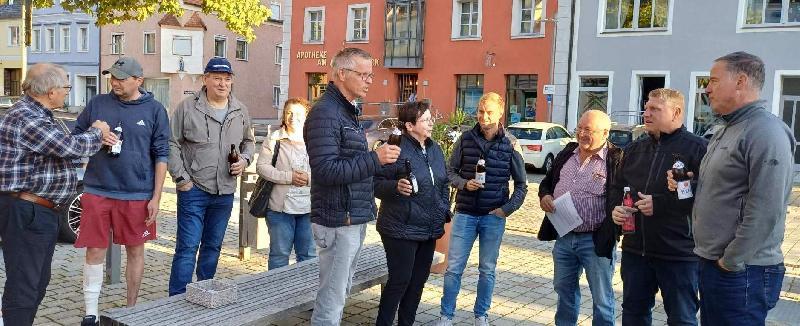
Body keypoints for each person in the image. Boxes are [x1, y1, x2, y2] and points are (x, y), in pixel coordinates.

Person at [671, 51, 795, 325]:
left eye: (714, 80)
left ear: (740, 81)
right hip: (717, 264)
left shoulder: (765, 131)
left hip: (742, 271)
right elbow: (725, 188)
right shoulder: (726, 129)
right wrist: (689, 185)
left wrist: (731, 261)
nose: (707, 87)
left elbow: (766, 209)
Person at [0, 63, 115, 326]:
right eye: (66, 87)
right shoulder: (27, 117)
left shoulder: (39, 113)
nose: (67, 92)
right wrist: (98, 131)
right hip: (27, 211)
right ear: (50, 91)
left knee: (37, 280)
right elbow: (69, 146)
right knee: (25, 284)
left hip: (39, 210)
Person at [303, 47, 401, 325]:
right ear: (341, 74)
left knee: (340, 293)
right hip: (337, 219)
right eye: (363, 75)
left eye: (371, 75)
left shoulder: (347, 111)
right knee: (331, 301)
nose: (369, 80)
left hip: (353, 216)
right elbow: (325, 170)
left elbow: (351, 162)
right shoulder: (325, 113)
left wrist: (378, 159)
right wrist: (374, 159)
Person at [73, 57, 171, 325]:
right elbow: (76, 135)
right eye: (112, 77)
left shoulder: (155, 110)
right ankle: (91, 312)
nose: (114, 82)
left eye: (121, 78)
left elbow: (162, 155)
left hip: (137, 194)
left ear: (138, 80)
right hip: (97, 189)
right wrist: (96, 135)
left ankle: (131, 310)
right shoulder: (98, 103)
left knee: (135, 251)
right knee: (94, 250)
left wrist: (156, 197)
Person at [609, 89, 707, 325]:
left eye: (655, 109)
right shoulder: (634, 149)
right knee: (633, 314)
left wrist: (660, 204)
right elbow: (617, 189)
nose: (646, 113)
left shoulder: (698, 149)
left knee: (682, 319)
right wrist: (616, 210)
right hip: (636, 252)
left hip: (679, 254)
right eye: (646, 107)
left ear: (676, 112)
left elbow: (707, 200)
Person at [434, 92, 528, 326]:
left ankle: (481, 315)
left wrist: (506, 210)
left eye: (489, 112)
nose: (484, 117)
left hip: (493, 216)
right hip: (465, 213)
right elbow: (449, 172)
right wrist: (464, 183)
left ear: (500, 114)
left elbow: (522, 184)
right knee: (454, 268)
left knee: (487, 269)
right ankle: (446, 316)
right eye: (480, 111)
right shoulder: (465, 139)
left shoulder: (511, 143)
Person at [167, 57, 255, 295]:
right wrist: (180, 178)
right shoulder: (187, 107)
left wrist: (245, 160)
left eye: (227, 79)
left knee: (213, 247)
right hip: (193, 189)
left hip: (225, 191)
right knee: (187, 248)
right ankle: (176, 300)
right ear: (205, 79)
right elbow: (171, 144)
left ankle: (203, 294)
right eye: (216, 78)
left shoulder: (240, 110)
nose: (222, 84)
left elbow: (249, 142)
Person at [536, 110, 621, 326]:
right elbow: (546, 182)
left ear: (605, 133)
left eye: (588, 130)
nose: (582, 134)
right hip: (564, 237)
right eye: (579, 128)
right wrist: (545, 195)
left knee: (602, 298)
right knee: (564, 292)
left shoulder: (615, 160)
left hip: (595, 241)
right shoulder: (567, 152)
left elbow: (622, 199)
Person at [373, 101, 450, 326]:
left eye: (430, 118)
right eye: (425, 120)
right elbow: (375, 183)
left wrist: (443, 209)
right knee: (399, 282)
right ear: (409, 125)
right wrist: (394, 187)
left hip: (429, 229)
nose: (431, 123)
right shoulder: (395, 147)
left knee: (417, 284)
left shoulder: (434, 148)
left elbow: (443, 183)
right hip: (400, 228)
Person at [256, 97, 315, 270]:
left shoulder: (315, 140)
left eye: (297, 114)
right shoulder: (274, 139)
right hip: (280, 209)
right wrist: (289, 177)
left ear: (306, 116)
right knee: (279, 255)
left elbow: (325, 170)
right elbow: (262, 167)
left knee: (308, 255)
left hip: (309, 209)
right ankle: (278, 295)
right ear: (283, 115)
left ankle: (305, 294)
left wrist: (309, 178)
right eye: (288, 113)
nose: (292, 117)